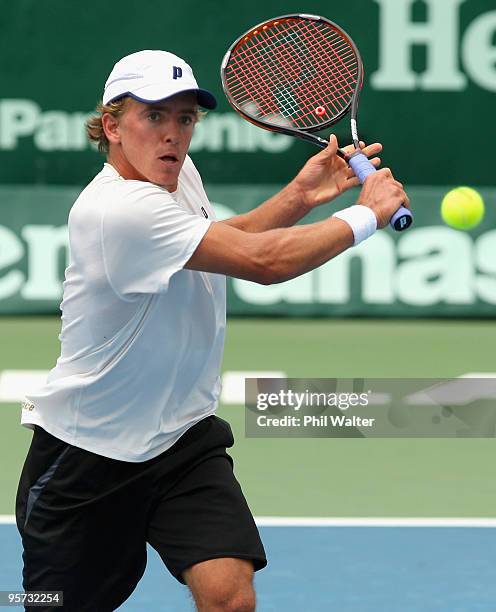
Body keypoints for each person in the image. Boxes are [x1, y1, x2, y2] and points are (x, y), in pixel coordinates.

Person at [15, 50, 409, 612]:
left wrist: (300, 197)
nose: (172, 134)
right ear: (112, 126)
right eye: (153, 117)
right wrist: (365, 216)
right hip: (88, 454)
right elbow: (261, 262)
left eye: (184, 118)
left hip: (181, 439)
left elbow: (219, 243)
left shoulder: (175, 175)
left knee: (230, 599)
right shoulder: (117, 209)